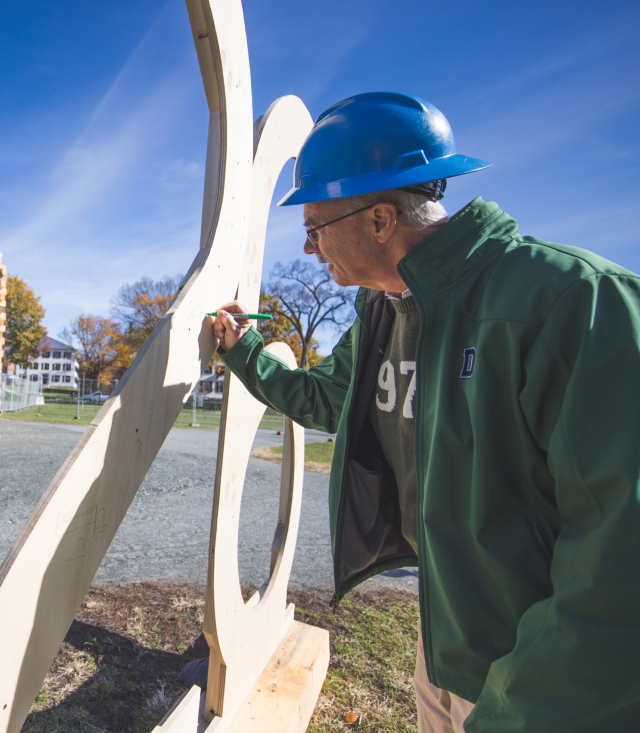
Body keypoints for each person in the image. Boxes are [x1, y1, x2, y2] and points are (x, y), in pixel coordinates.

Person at [210, 92, 640, 732]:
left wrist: (520, 709)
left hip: (542, 680)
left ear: (380, 219)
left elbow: (619, 557)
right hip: (444, 644)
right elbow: (332, 397)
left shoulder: (574, 302)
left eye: (315, 226)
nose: (307, 248)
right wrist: (245, 352)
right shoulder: (384, 307)